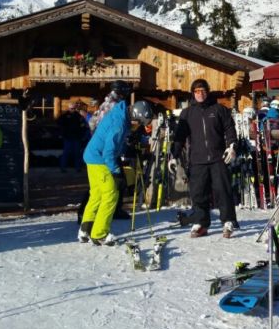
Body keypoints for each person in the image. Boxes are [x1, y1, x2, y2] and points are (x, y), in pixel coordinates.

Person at [78, 99, 153, 245]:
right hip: (100, 159)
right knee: (111, 194)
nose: (137, 124)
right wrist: (116, 171)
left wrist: (127, 146)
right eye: (139, 121)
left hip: (92, 155)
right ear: (136, 116)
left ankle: (85, 229)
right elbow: (109, 151)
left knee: (97, 194)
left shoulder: (120, 115)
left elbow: (115, 143)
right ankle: (99, 233)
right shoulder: (119, 123)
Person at [169, 79, 238, 238]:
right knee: (198, 193)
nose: (200, 94)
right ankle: (201, 223)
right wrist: (174, 155)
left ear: (208, 91)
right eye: (197, 91)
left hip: (218, 158)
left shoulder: (219, 109)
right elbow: (180, 136)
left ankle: (227, 221)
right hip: (197, 160)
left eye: (203, 90)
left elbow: (229, 129)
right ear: (193, 93)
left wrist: (232, 146)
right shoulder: (188, 113)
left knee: (223, 190)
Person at [57, 101, 88, 172]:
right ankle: (63, 168)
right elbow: (59, 123)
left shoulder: (78, 116)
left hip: (77, 137)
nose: (73, 110)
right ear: (69, 108)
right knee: (66, 153)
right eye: (71, 108)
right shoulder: (64, 116)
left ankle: (78, 168)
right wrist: (62, 133)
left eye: (74, 108)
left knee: (77, 153)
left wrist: (82, 134)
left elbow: (83, 125)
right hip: (68, 137)